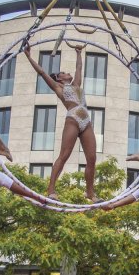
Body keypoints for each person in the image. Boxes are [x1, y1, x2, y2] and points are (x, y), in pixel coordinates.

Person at [22, 43, 97, 200]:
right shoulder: (58, 87)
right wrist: (29, 56)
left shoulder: (76, 84)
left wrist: (78, 53)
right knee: (64, 155)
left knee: (92, 158)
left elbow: (79, 68)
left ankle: (90, 192)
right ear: (59, 78)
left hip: (86, 121)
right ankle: (51, 190)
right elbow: (42, 72)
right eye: (64, 72)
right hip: (73, 119)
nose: (67, 73)